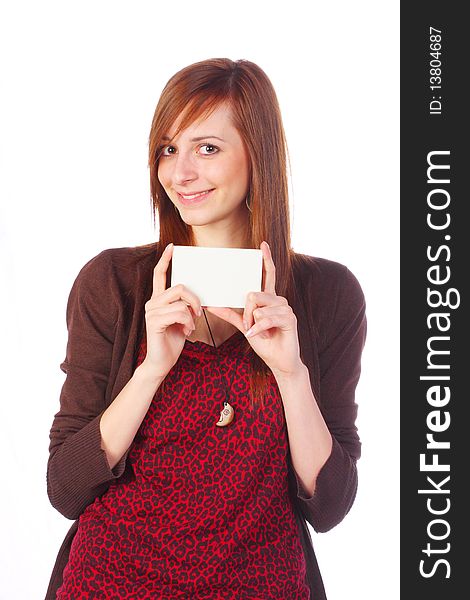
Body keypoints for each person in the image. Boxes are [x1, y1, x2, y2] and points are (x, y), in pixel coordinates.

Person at [45, 58, 367, 599]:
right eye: (168, 149)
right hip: (113, 584)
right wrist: (151, 370)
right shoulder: (114, 283)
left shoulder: (327, 294)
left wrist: (291, 376)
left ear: (258, 154)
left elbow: (330, 504)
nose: (179, 173)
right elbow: (65, 488)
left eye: (207, 148)